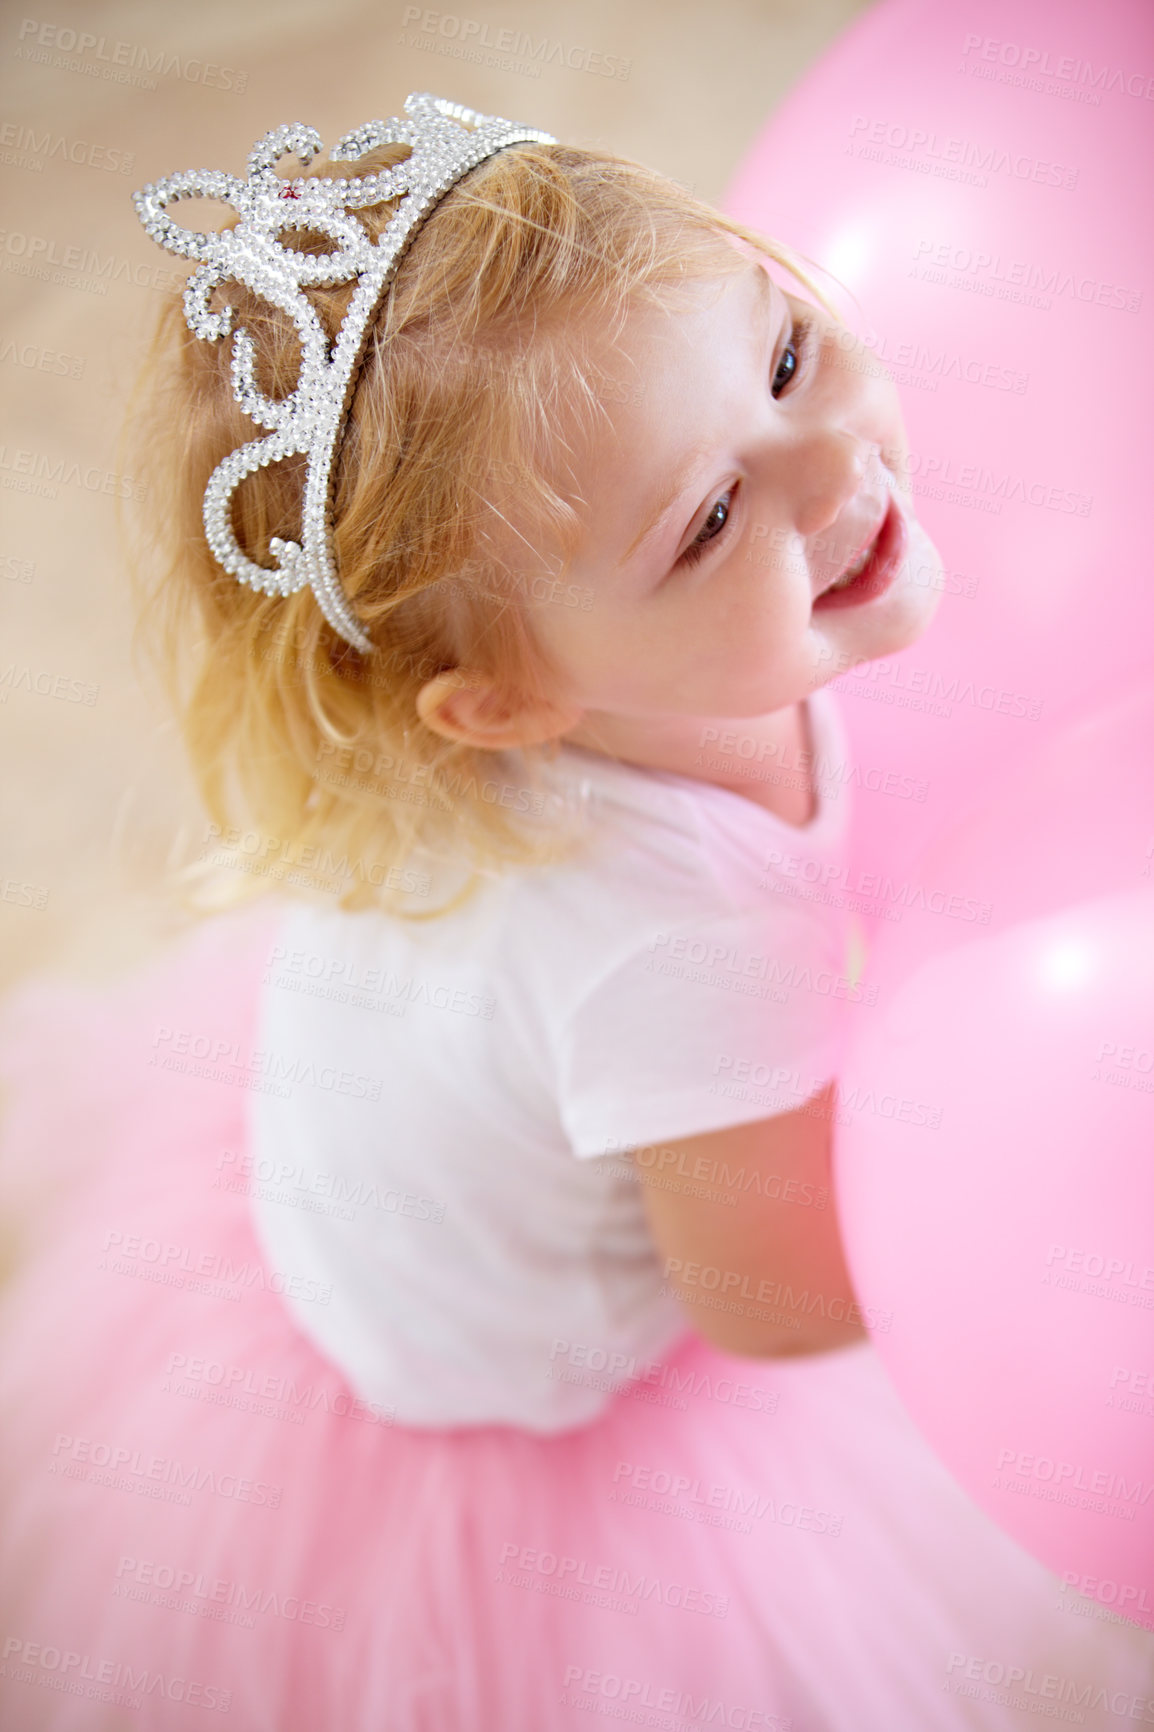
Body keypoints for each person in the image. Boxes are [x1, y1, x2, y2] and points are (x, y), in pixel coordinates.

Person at [0, 93, 1149, 1732]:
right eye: (703, 524)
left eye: (781, 356)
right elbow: (778, 1298)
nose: (832, 468)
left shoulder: (668, 682)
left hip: (425, 1125)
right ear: (509, 708)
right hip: (505, 1383)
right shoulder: (674, 948)